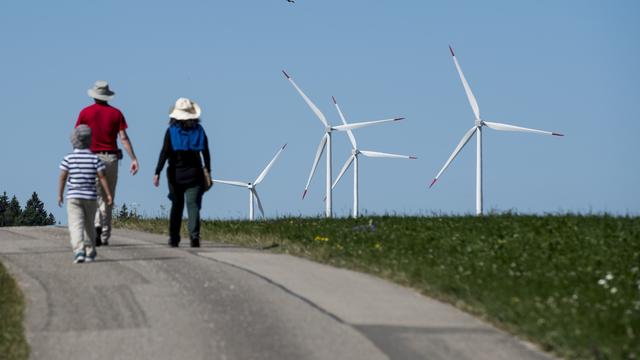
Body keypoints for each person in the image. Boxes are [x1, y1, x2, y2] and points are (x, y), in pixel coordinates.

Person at [75, 80, 139, 246]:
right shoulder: (116, 114)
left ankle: (95, 225)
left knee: (94, 194)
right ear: (107, 96)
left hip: (90, 158)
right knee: (108, 196)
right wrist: (133, 158)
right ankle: (104, 234)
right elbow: (123, 138)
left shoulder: (85, 113)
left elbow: (78, 137)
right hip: (111, 158)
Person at [154, 98, 211, 248]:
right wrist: (208, 170)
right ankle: (194, 237)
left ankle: (174, 238)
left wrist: (157, 172)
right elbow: (206, 152)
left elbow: (164, 153)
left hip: (175, 175)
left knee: (176, 206)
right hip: (195, 174)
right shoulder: (199, 131)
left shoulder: (171, 132)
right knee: (193, 206)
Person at [58, 125, 113, 263]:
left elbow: (63, 176)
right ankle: (90, 250)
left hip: (73, 197)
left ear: (74, 141)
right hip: (90, 197)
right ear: (90, 140)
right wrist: (108, 194)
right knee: (89, 225)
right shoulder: (95, 159)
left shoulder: (68, 158)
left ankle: (79, 250)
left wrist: (60, 194)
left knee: (76, 224)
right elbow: (102, 177)